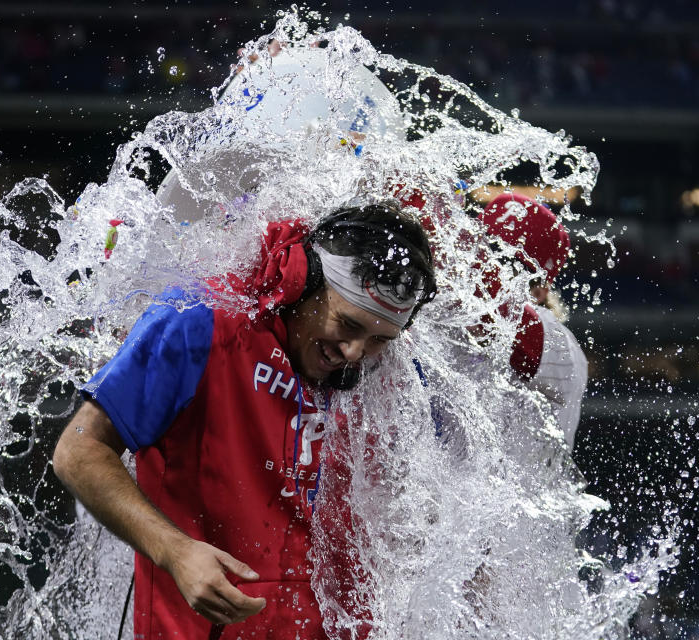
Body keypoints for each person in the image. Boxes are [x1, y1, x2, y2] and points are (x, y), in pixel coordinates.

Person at [53, 202, 436, 639]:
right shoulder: (200, 320)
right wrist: (174, 551)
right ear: (301, 281)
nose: (353, 353)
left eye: (378, 339)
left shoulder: (391, 376)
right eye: (346, 324)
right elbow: (79, 451)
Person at [478, 192, 588, 448]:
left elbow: (498, 308)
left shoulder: (562, 345)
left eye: (502, 261)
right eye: (484, 248)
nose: (487, 264)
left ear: (539, 291)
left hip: (519, 486)